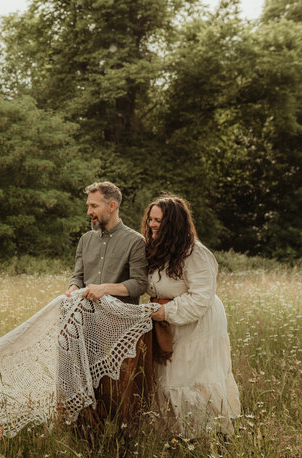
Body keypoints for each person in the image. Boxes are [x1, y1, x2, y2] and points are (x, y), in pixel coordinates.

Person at [142, 195, 241, 437]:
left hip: (197, 326)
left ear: (173, 225)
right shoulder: (155, 250)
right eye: (151, 219)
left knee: (193, 380)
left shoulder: (195, 253)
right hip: (167, 325)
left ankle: (206, 438)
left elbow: (201, 297)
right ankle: (176, 437)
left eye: (159, 221)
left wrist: (165, 311)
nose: (153, 225)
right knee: (166, 380)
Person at [64, 181, 150, 425]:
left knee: (118, 394)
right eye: (88, 206)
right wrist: (72, 290)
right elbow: (77, 276)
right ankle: (87, 435)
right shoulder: (85, 240)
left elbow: (139, 284)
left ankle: (122, 439)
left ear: (111, 206)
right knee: (87, 389)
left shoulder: (135, 241)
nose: (89, 211)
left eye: (94, 206)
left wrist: (105, 290)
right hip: (85, 327)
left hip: (120, 331)